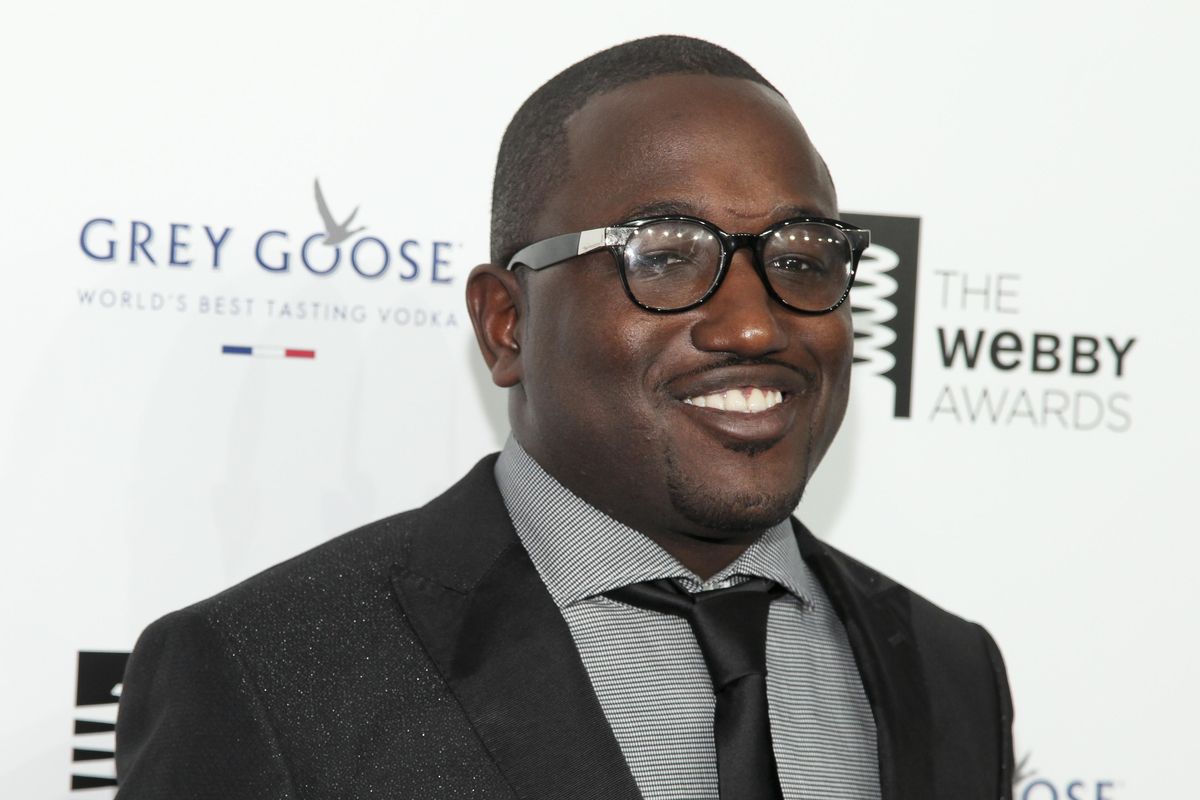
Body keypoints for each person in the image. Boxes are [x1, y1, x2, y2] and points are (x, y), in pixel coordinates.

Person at [115, 35, 1013, 800]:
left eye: (804, 257)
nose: (752, 321)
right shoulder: (273, 672)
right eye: (664, 256)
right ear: (506, 323)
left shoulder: (950, 671)